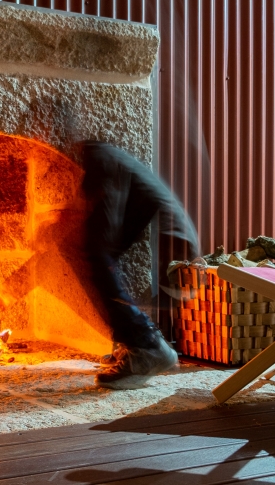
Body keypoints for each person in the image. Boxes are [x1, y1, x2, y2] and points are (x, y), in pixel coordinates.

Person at [78, 140, 200, 389]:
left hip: (173, 240)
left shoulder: (98, 157)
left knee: (98, 259)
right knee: (99, 260)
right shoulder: (104, 154)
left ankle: (147, 347)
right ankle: (134, 342)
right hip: (163, 227)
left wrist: (100, 256)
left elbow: (109, 217)